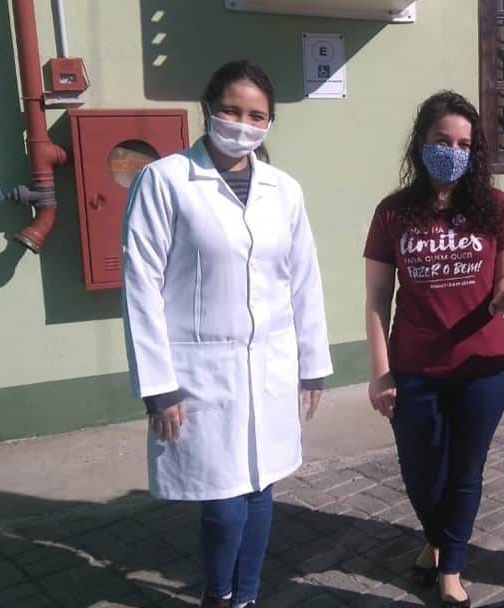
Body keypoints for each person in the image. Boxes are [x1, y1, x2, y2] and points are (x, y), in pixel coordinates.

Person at [122, 60, 332, 608]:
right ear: (208, 110)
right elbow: (141, 286)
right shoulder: (164, 181)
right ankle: (218, 595)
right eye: (232, 111)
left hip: (270, 364)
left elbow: (304, 279)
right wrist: (159, 386)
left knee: (261, 487)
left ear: (269, 123)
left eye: (257, 115)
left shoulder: (284, 190)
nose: (243, 124)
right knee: (222, 501)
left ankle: (247, 597)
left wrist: (313, 364)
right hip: (198, 372)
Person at [363, 91, 504, 608]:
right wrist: (381, 373)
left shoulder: (494, 206)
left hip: (483, 366)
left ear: (474, 151)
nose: (452, 152)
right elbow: (376, 300)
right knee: (421, 472)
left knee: (465, 472)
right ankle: (436, 538)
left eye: (463, 144)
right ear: (421, 143)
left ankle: (451, 567)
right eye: (441, 140)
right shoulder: (393, 213)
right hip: (414, 368)